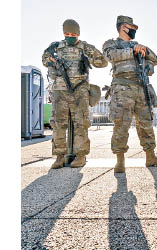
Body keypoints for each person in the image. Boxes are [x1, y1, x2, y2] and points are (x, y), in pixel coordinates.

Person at [102, 15, 157, 173]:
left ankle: (150, 156)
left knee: (146, 123)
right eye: (132, 28)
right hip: (122, 88)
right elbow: (110, 56)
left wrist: (145, 55)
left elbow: (155, 59)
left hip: (141, 88)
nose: (134, 31)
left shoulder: (137, 45)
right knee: (121, 124)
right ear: (123, 27)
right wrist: (131, 50)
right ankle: (120, 160)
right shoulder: (111, 44)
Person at [42, 19, 108, 169]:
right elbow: (44, 59)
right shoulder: (56, 47)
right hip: (60, 90)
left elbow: (103, 62)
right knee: (58, 124)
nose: (69, 36)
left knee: (81, 123)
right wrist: (52, 61)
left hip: (80, 89)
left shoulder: (85, 47)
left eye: (73, 34)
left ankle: (81, 155)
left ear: (78, 34)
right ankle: (59, 156)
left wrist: (90, 57)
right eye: (67, 34)